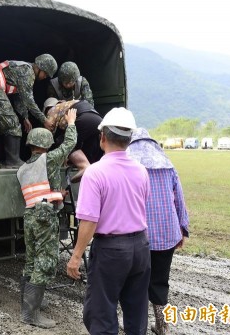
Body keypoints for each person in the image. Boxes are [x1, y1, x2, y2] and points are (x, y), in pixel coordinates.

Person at [66, 107, 151, 335]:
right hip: (141, 248)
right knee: (137, 313)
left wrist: (75, 257)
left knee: (101, 314)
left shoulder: (95, 172)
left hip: (111, 251)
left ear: (102, 137)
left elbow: (89, 221)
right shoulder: (142, 171)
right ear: (129, 139)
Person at [17, 108, 77, 329]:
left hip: (30, 216)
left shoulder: (22, 169)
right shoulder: (48, 160)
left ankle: (27, 305)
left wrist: (55, 195)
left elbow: (35, 193)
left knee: (31, 260)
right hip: (44, 217)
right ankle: (31, 315)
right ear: (47, 144)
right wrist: (71, 123)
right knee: (46, 262)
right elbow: (69, 145)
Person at [127, 128, 190, 335]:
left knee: (136, 282)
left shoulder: (128, 165)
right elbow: (179, 199)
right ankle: (162, 326)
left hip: (137, 235)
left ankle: (137, 327)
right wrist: (183, 229)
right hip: (167, 233)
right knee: (160, 280)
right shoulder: (167, 164)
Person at [0, 54, 57, 168]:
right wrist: (44, 120)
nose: (45, 77)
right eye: (46, 74)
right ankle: (13, 161)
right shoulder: (28, 72)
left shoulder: (25, 70)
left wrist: (25, 117)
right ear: (39, 67)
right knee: (13, 124)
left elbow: (19, 97)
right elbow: (29, 101)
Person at [43, 97, 103, 182]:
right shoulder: (68, 104)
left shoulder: (51, 110)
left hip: (84, 119)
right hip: (98, 120)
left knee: (62, 141)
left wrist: (44, 156)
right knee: (87, 143)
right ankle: (91, 168)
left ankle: (84, 166)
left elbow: (48, 137)